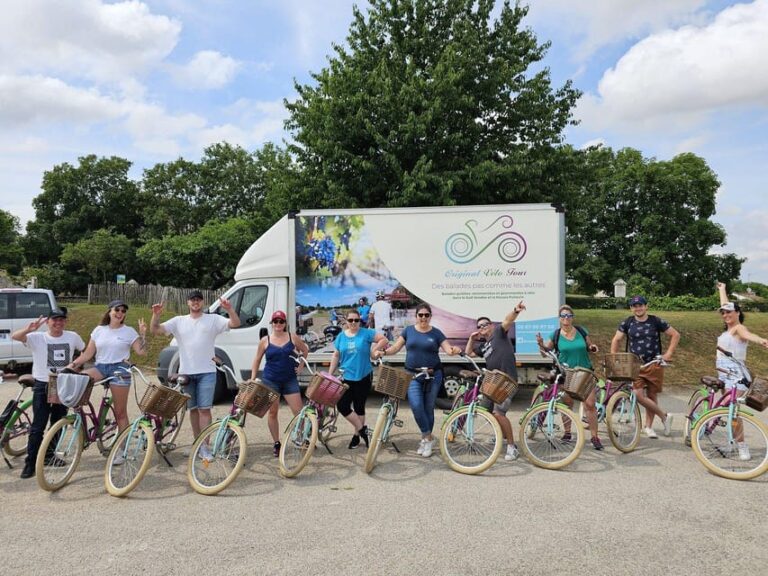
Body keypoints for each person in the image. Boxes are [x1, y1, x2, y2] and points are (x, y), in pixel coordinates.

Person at [151, 290, 240, 458]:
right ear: (188, 303)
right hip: (186, 374)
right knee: (193, 410)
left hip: (207, 372)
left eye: (198, 299)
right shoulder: (179, 321)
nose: (195, 302)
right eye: (192, 300)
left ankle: (205, 447)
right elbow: (156, 330)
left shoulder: (212, 319)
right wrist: (155, 315)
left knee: (204, 410)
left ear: (203, 302)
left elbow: (235, 323)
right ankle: (198, 443)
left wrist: (229, 309)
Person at [373, 303, 461, 457]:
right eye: (421, 315)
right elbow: (396, 348)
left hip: (434, 375)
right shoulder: (408, 331)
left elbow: (448, 350)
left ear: (430, 316)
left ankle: (425, 441)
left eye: (426, 315)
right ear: (416, 316)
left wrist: (454, 350)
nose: (423, 318)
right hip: (413, 375)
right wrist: (384, 352)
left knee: (428, 409)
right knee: (415, 405)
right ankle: (428, 437)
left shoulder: (436, 333)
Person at [11, 308, 85, 479]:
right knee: (38, 425)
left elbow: (85, 350)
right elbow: (15, 336)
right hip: (42, 384)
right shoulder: (38, 337)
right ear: (48, 321)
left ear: (65, 321)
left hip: (63, 383)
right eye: (54, 320)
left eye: (61, 320)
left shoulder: (72, 336)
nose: (58, 323)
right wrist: (29, 329)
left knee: (58, 421)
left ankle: (50, 455)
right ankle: (31, 462)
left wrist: (76, 365)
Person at [68, 300, 147, 435]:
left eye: (123, 311)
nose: (120, 313)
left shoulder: (129, 331)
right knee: (78, 379)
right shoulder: (99, 330)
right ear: (109, 311)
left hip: (120, 369)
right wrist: (72, 365)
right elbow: (87, 354)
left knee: (120, 412)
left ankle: (122, 451)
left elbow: (142, 352)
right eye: (117, 310)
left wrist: (143, 334)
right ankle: (79, 416)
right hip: (101, 367)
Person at [610, 295, 680, 439]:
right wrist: (614, 357)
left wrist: (669, 353)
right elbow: (616, 339)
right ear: (631, 308)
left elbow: (675, 335)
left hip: (654, 363)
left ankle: (648, 427)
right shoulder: (627, 323)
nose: (638, 308)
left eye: (640, 305)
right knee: (638, 394)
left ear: (646, 306)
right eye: (635, 306)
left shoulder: (655, 321)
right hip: (634, 364)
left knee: (652, 395)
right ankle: (664, 416)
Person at [536, 305, 603, 450]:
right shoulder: (555, 334)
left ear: (572, 317)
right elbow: (545, 353)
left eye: (569, 315)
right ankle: (567, 433)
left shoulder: (581, 330)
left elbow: (589, 345)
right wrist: (541, 345)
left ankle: (594, 437)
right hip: (566, 373)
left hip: (585, 372)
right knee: (567, 404)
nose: (566, 318)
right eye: (563, 316)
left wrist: (593, 347)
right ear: (559, 319)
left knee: (590, 405)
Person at [465, 302, 525, 460]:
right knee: (486, 412)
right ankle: (501, 435)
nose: (482, 327)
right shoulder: (483, 346)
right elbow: (468, 353)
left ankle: (512, 447)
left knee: (498, 413)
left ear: (491, 325)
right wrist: (472, 338)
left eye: (485, 324)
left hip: (506, 380)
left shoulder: (499, 333)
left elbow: (507, 321)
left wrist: (515, 310)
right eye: (479, 326)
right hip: (492, 382)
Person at [716, 282, 768, 460]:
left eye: (729, 312)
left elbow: (748, 335)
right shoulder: (728, 329)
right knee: (728, 411)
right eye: (723, 312)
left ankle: (742, 446)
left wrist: (760, 340)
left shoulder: (739, 328)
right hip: (724, 373)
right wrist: (722, 290)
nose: (726, 315)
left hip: (737, 376)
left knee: (733, 411)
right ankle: (732, 442)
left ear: (738, 312)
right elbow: (725, 305)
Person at [251, 310, 310, 457]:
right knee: (272, 412)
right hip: (270, 381)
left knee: (299, 412)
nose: (278, 324)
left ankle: (302, 438)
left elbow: (304, 350)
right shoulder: (265, 340)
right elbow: (257, 360)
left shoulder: (292, 337)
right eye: (275, 321)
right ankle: (276, 443)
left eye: (281, 321)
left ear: (285, 324)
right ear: (272, 323)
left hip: (289, 380)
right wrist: (252, 378)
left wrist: (301, 364)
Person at [327, 309, 388, 448]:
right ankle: (362, 430)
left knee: (359, 407)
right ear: (346, 322)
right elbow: (336, 355)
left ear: (360, 321)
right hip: (346, 377)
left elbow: (384, 339)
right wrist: (330, 375)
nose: (353, 323)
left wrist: (374, 350)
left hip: (363, 376)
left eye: (356, 320)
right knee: (342, 405)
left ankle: (356, 436)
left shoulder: (366, 333)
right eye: (350, 320)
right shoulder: (341, 337)